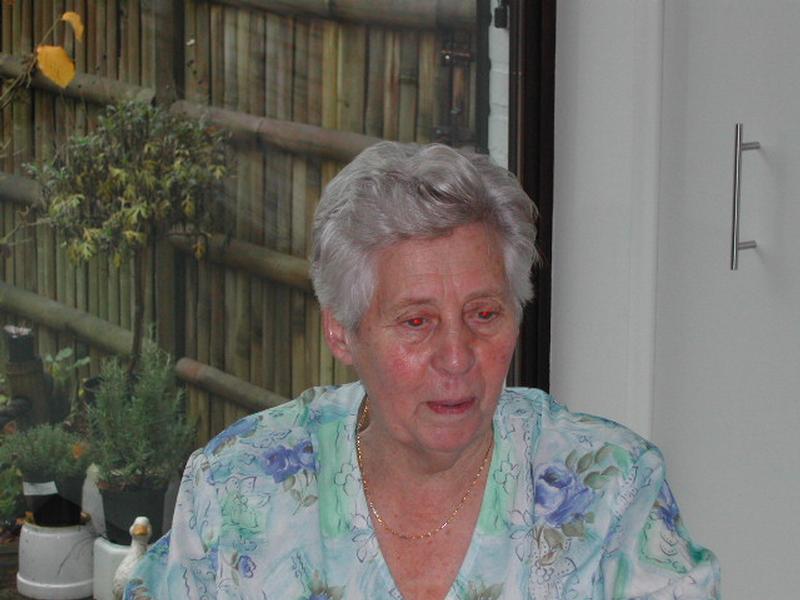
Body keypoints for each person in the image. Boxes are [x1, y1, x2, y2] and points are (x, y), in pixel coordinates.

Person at [126, 142, 719, 599]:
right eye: (416, 322)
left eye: (484, 314)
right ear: (342, 330)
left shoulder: (611, 492)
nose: (457, 357)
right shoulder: (239, 491)